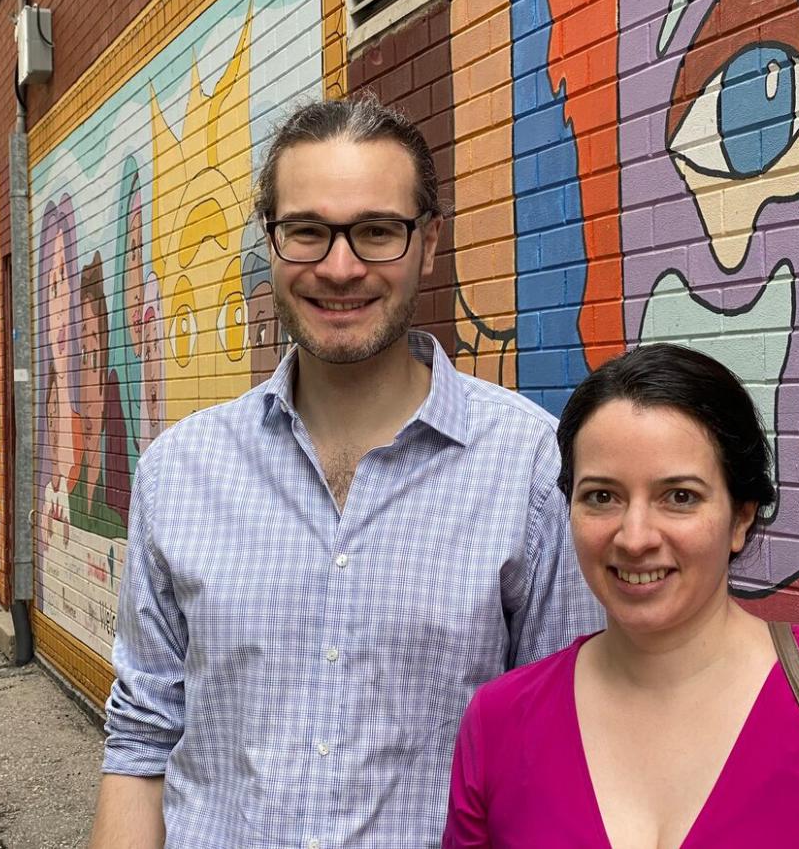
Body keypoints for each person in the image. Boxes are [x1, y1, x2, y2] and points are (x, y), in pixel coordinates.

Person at [88, 94, 602, 849]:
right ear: (270, 243)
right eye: (307, 232)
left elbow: (561, 750)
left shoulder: (530, 466)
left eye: (376, 231)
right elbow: (141, 744)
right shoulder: (179, 474)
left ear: (428, 242)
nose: (340, 267)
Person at [442, 344, 799, 848]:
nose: (634, 537)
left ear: (740, 518)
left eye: (679, 496)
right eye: (602, 496)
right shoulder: (499, 724)